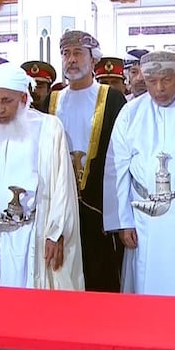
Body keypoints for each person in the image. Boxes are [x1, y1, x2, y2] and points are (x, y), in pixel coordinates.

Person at [103, 51, 175, 297]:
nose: (159, 88)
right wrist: (123, 221)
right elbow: (117, 169)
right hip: (143, 213)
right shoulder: (130, 112)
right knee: (146, 282)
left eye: (166, 80)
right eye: (151, 81)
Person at [0, 62, 83, 289]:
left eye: (7, 101)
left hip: (35, 233)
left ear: (24, 99)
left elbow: (62, 186)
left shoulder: (49, 128)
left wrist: (55, 233)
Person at [48, 30, 126, 292]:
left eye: (78, 53)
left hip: (98, 203)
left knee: (100, 272)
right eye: (66, 54)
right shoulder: (51, 100)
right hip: (60, 203)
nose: (71, 59)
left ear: (93, 61)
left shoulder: (112, 99)